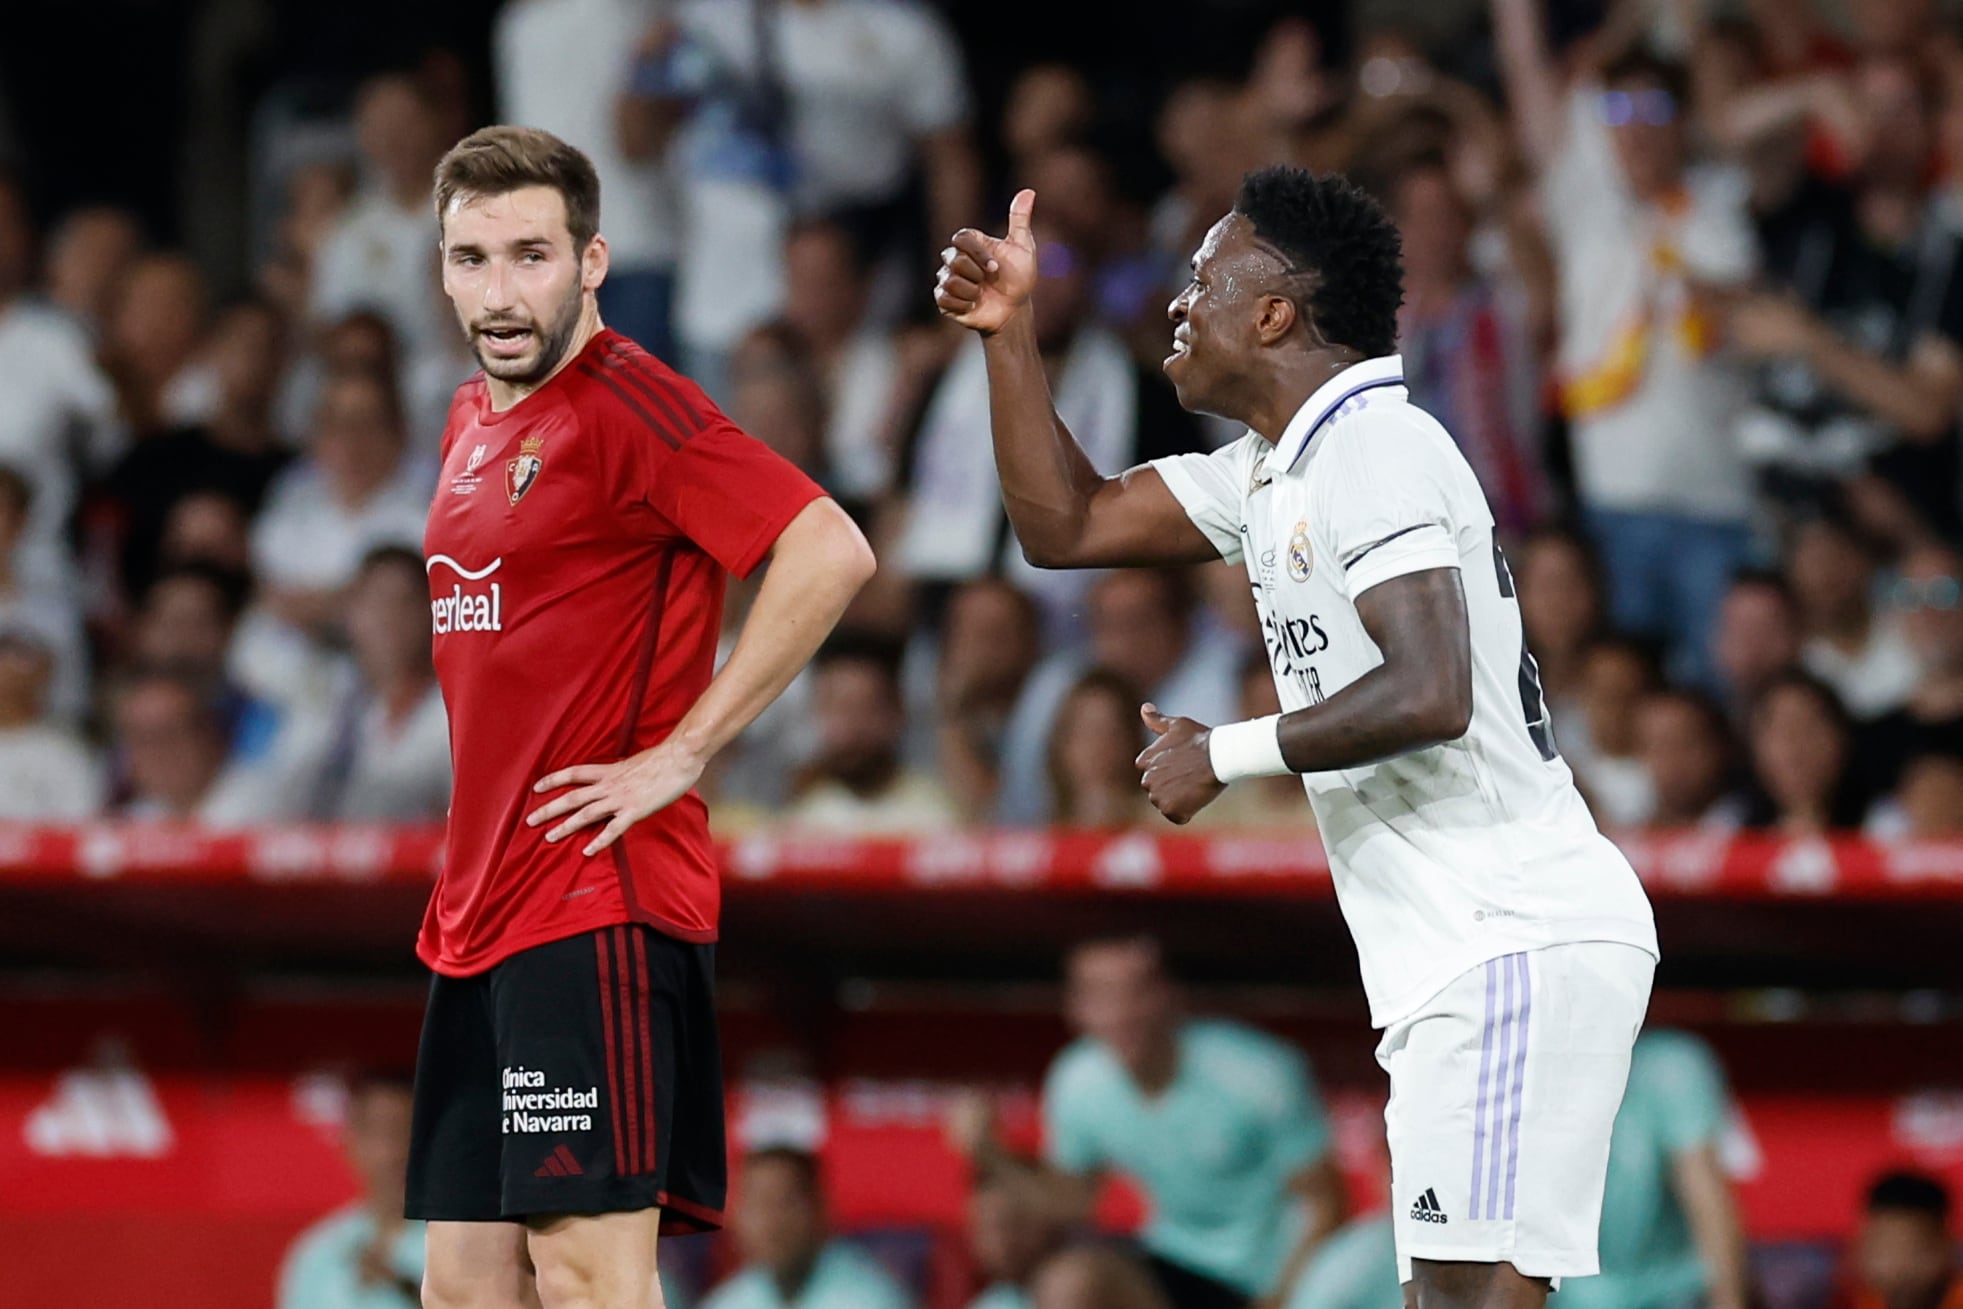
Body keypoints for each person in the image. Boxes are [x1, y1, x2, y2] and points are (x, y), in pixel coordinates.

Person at [934, 169, 1659, 1307]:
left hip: (1513, 932)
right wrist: (1009, 333)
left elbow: (1432, 689)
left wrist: (1222, 754)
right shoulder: (1272, 470)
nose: (1178, 303)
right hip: (1453, 952)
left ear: (1274, 312)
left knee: (1467, 1300)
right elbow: (1061, 524)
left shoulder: (1378, 447)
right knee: (1450, 1297)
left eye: (1204, 277)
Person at [406, 126, 873, 1309]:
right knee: (464, 1283)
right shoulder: (470, 417)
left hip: (591, 898)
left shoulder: (635, 406)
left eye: (530, 255)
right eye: (471, 259)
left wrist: (685, 750)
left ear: (593, 260)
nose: (500, 292)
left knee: (587, 1274)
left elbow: (828, 550)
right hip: (478, 910)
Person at [1492, 0, 1759, 684]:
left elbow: (1740, 305)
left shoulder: (1719, 206)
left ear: (1682, 124)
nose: (1636, 132)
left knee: (1719, 695)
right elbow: (1528, 73)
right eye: (1619, 115)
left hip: (1716, 501)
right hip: (1614, 503)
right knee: (1628, 693)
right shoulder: (1583, 210)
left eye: (1654, 114)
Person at [955, 938, 1345, 1309]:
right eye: (1101, 995)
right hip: (1173, 1265)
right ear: (1075, 1008)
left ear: (1170, 995)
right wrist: (990, 1153)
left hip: (1273, 1277)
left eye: (1135, 992)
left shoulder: (1257, 1072)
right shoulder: (1078, 1081)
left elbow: (1326, 1202)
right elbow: (1073, 1202)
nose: (1120, 1012)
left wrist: (1281, 1299)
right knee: (1070, 1283)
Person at [1549, 1031, 1751, 1309]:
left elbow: (1704, 1190)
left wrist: (1728, 1301)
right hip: (1566, 1293)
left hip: (1673, 1288)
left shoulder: (1673, 1065)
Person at [276, 1071, 426, 1309]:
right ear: (351, 1142)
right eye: (385, 1131)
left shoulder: (458, 1243)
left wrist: (406, 1288)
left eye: (409, 1131)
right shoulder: (317, 1254)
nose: (397, 1151)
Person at [782, 634, 957, 834]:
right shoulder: (801, 819)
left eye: (867, 708)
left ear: (897, 713)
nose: (853, 727)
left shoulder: (934, 813)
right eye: (840, 709)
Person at [699, 1149, 914, 1309]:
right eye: (756, 1204)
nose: (771, 1223)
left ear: (821, 1208)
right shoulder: (728, 1301)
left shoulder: (871, 1299)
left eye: (785, 1202)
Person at [1841, 1171, 1963, 1309]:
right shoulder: (1839, 1298)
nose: (1900, 1271)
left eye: (1917, 1253)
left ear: (1947, 1245)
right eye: (1884, 1253)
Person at [967, 1166, 1067, 1309]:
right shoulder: (991, 1303)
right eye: (985, 1229)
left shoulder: (1080, 1285)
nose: (1001, 1242)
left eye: (1013, 1224)